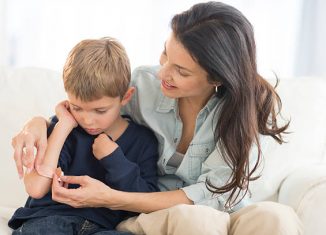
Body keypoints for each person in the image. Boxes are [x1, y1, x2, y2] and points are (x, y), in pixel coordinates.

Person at [11, 2, 303, 235]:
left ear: (216, 78)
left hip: (224, 210)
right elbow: (90, 111)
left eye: (181, 71)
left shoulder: (248, 110)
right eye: (165, 54)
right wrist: (37, 123)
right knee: (196, 222)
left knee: (278, 218)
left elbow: (214, 196)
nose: (162, 73)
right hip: (160, 216)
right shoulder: (145, 85)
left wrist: (109, 198)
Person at [8, 37, 159, 235]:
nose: (87, 121)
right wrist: (63, 126)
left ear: (125, 97)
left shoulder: (143, 140)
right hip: (50, 220)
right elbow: (36, 188)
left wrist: (115, 159)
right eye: (77, 108)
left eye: (100, 110)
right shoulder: (62, 127)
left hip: (103, 228)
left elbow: (144, 199)